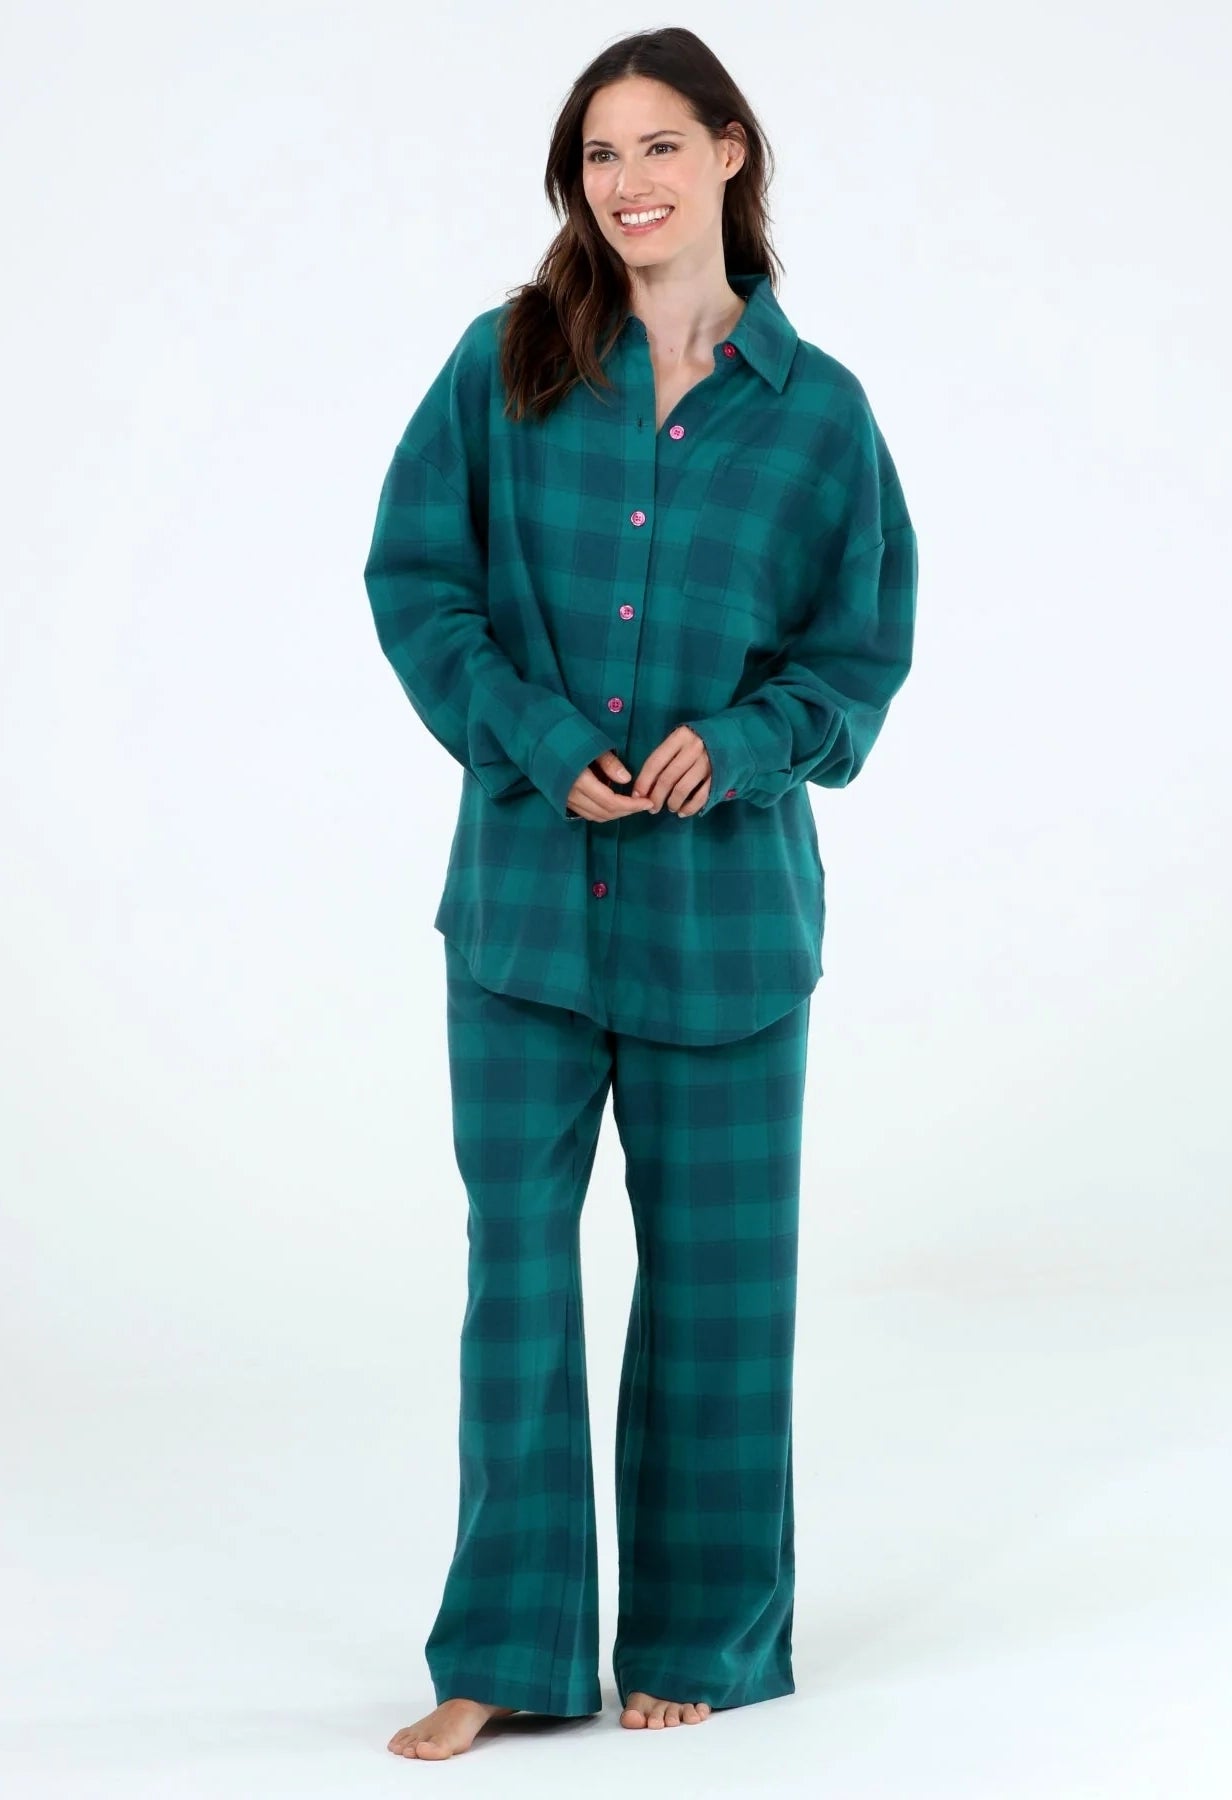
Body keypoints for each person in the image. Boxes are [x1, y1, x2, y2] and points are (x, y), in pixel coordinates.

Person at [362, 24, 917, 1761]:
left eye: (660, 145)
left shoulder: (819, 418)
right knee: (518, 1280)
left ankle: (704, 1636)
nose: (629, 182)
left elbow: (857, 659)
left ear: (731, 152)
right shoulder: (505, 364)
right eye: (600, 155)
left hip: (726, 928)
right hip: (524, 916)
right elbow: (417, 584)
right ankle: (509, 1655)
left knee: (719, 1298)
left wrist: (740, 745)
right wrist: (531, 732)